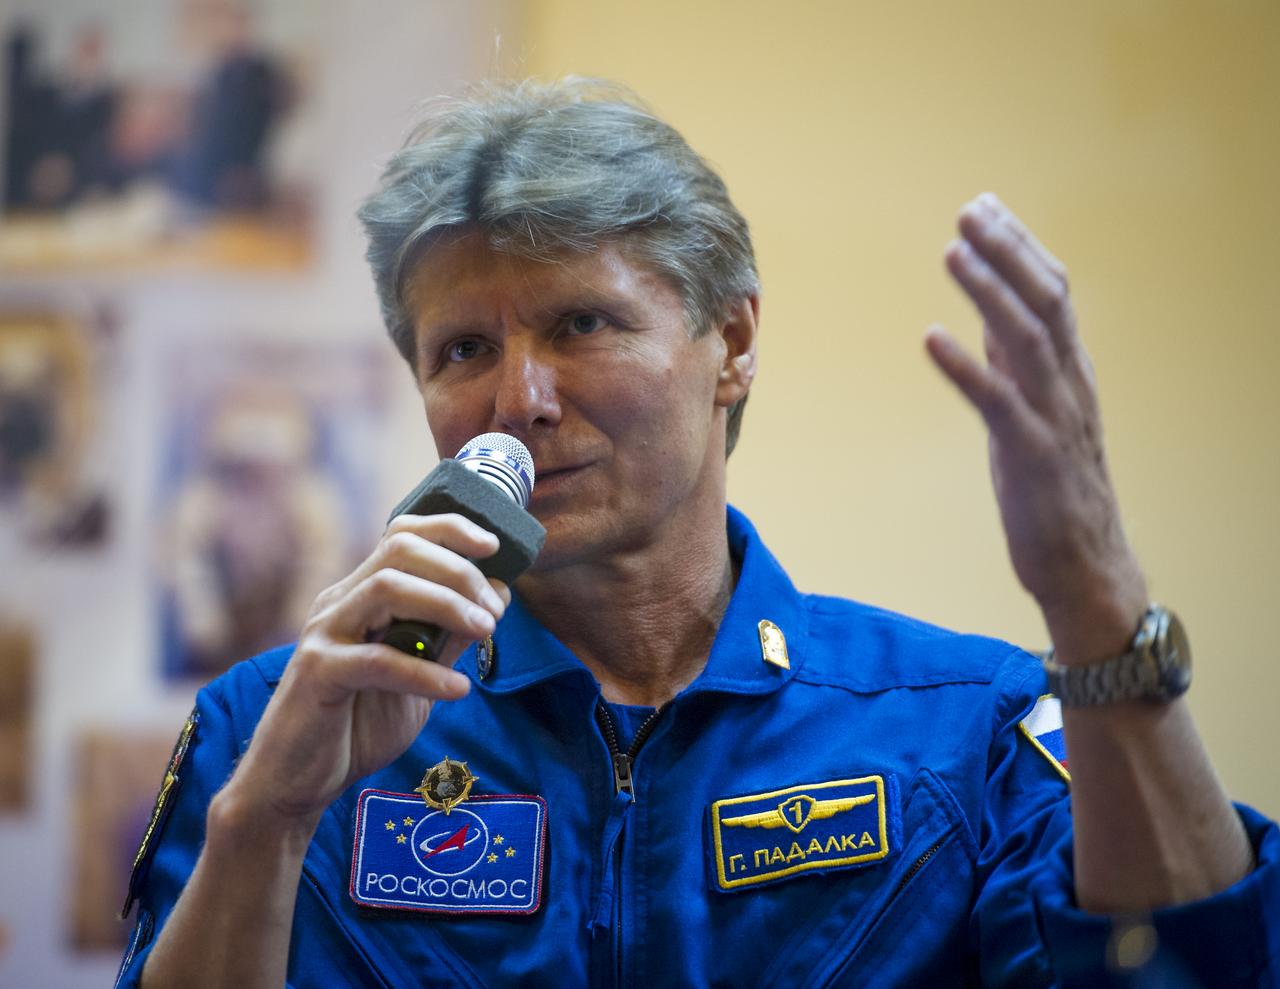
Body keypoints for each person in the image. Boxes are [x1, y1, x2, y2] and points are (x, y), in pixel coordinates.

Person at [117, 79, 1278, 988]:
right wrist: (265, 819)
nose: (517, 399)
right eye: (462, 350)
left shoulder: (958, 727)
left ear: (731, 340)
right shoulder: (278, 731)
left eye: (580, 322)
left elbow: (1190, 967)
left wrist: (1092, 600)